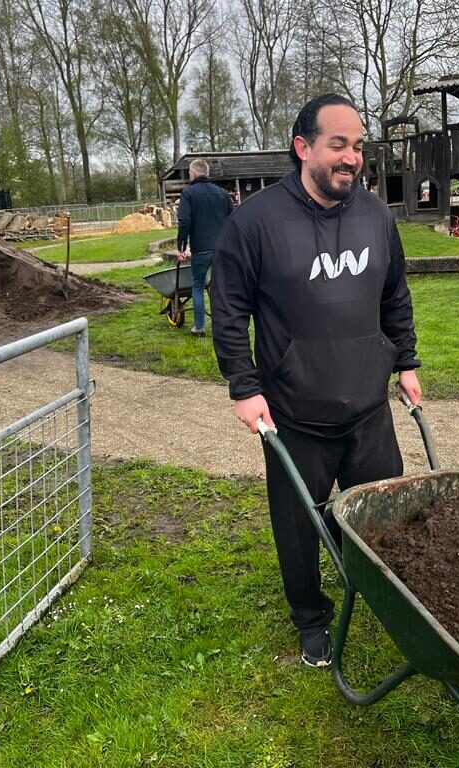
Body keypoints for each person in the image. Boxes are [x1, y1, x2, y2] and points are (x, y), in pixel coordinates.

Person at [210, 93, 421, 667]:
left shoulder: (376, 216)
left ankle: (381, 593)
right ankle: (311, 617)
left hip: (368, 409)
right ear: (303, 148)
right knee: (299, 528)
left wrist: (405, 360)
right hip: (294, 414)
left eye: (357, 146)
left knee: (383, 510)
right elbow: (227, 308)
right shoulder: (255, 222)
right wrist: (244, 387)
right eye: (338, 145)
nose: (352, 157)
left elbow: (394, 295)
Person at [176, 158, 234, 336]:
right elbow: (234, 219)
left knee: (198, 286)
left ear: (193, 173)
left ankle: (199, 327)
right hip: (222, 249)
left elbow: (184, 221)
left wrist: (181, 246)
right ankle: (224, 326)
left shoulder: (189, 193)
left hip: (201, 249)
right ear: (206, 173)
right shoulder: (222, 194)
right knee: (220, 288)